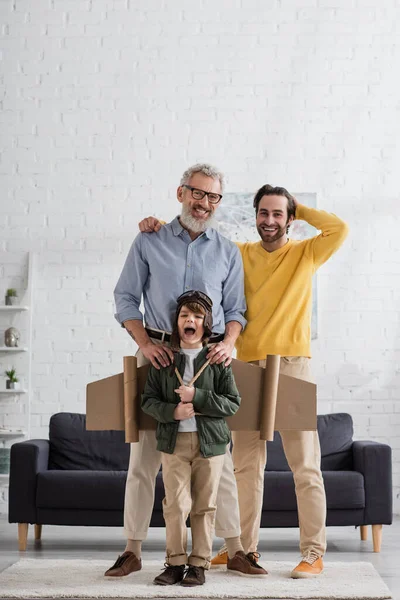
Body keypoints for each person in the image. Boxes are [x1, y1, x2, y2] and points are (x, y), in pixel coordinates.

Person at [138, 184, 349, 579]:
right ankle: (245, 550)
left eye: (277, 214)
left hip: (290, 366)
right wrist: (157, 226)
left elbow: (339, 230)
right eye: (263, 213)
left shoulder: (306, 253)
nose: (269, 221)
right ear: (254, 216)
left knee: (305, 464)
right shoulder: (239, 253)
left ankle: (313, 552)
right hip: (245, 368)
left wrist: (297, 208)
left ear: (288, 218)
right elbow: (196, 254)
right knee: (246, 466)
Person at [105, 163, 266, 578]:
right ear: (181, 193)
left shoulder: (227, 250)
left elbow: (235, 310)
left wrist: (229, 342)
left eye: (213, 196)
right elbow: (125, 299)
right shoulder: (149, 239)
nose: (205, 202)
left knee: (219, 456)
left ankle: (234, 550)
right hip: (156, 354)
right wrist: (145, 344)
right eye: (198, 193)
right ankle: (132, 550)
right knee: (143, 457)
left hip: (210, 359)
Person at [142, 291, 266, 586]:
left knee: (205, 506)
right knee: (175, 504)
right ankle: (174, 563)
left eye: (197, 317)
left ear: (205, 324)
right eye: (185, 316)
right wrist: (172, 412)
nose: (190, 321)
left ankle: (198, 564)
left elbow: (231, 403)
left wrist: (196, 396)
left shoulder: (217, 361)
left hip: (210, 444)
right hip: (173, 444)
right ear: (177, 322)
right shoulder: (162, 361)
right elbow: (148, 402)